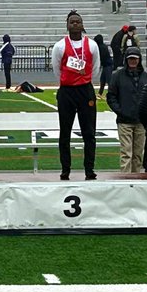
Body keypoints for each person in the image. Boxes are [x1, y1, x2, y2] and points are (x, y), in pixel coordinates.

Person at [51, 11, 100, 180]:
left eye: (78, 21)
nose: (75, 24)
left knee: (89, 133)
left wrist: (83, 80)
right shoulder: (60, 46)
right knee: (65, 132)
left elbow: (95, 68)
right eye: (72, 22)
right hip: (66, 92)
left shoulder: (92, 45)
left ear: (82, 24)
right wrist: (67, 82)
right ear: (67, 25)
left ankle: (89, 169)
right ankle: (65, 169)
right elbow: (57, 69)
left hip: (85, 90)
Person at [107, 46, 147, 173]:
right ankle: (125, 179)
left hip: (141, 121)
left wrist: (146, 113)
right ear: (126, 59)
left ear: (139, 59)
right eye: (130, 58)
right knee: (126, 153)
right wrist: (120, 111)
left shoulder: (146, 76)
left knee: (138, 154)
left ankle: (136, 178)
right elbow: (111, 96)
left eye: (135, 59)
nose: (133, 61)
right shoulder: (118, 76)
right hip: (124, 120)